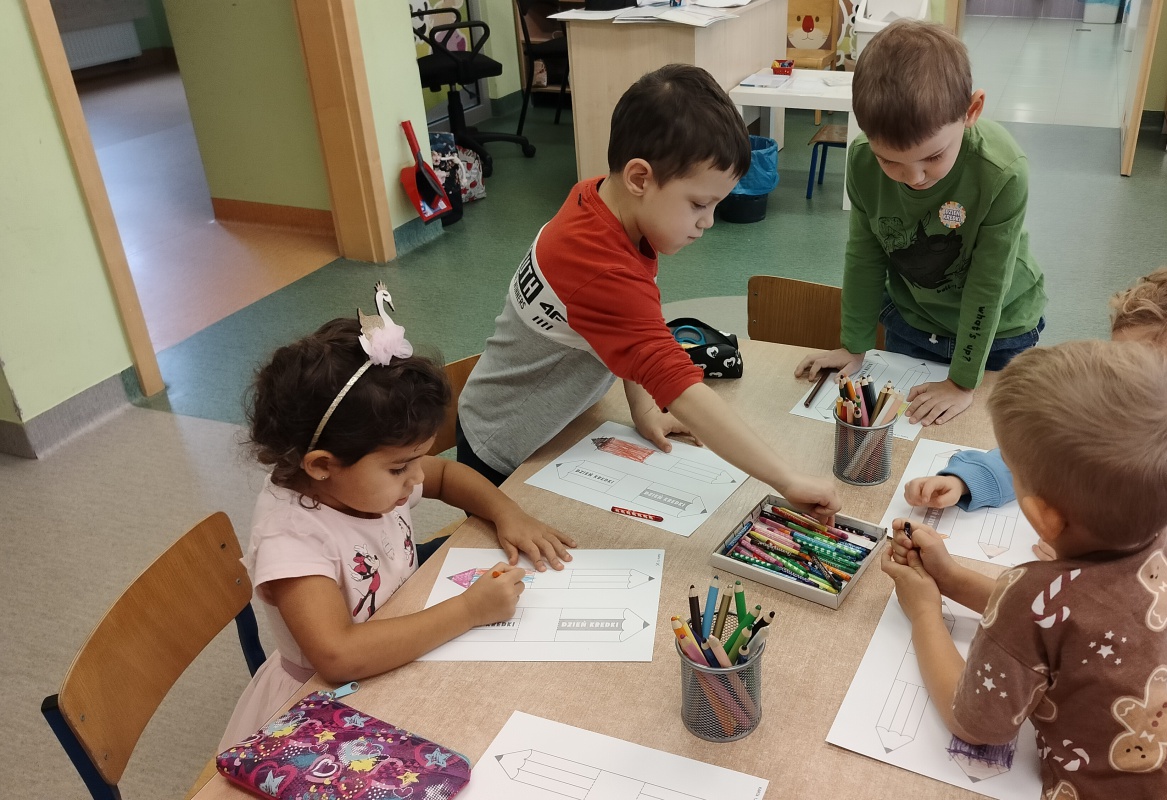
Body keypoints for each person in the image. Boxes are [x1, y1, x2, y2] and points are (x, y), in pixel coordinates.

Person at [882, 340, 1167, 798]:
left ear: (1042, 516)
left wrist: (924, 611)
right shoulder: (1164, 540)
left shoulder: (1031, 594)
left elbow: (976, 725)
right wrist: (950, 579)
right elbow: (1066, 626)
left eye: (1012, 471)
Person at [455, 64, 839, 520]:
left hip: (554, 424)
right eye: (699, 204)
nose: (708, 222)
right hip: (505, 447)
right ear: (640, 178)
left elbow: (630, 334)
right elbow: (680, 386)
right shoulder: (599, 268)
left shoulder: (602, 201)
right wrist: (787, 480)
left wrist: (643, 410)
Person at [219, 292, 572, 750]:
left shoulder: (358, 481)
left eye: (416, 460)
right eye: (400, 467)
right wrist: (469, 610)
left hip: (397, 645)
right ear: (322, 465)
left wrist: (508, 513)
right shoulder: (291, 537)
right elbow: (338, 656)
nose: (417, 477)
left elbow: (446, 475)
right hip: (324, 708)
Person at [907, 254, 1167, 629]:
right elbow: (1053, 448)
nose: (1119, 387)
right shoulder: (1131, 406)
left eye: (1144, 376)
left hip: (1146, 640)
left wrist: (1099, 573)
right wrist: (972, 480)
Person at [794, 19, 1046, 427]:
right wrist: (854, 346)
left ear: (971, 111)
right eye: (889, 160)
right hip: (914, 322)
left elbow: (988, 282)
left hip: (999, 332)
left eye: (933, 157)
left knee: (984, 437)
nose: (913, 177)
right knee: (903, 436)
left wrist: (962, 382)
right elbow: (865, 256)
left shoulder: (1002, 171)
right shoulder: (861, 160)